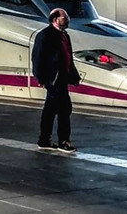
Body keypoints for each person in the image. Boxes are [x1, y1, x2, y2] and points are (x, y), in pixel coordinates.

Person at [32, 8, 81, 153]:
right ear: (55, 19)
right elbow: (37, 57)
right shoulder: (45, 35)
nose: (67, 19)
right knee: (65, 108)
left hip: (62, 77)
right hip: (52, 78)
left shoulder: (65, 35)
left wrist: (74, 75)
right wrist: (40, 77)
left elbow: (68, 58)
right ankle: (63, 142)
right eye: (64, 17)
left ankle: (44, 140)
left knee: (51, 109)